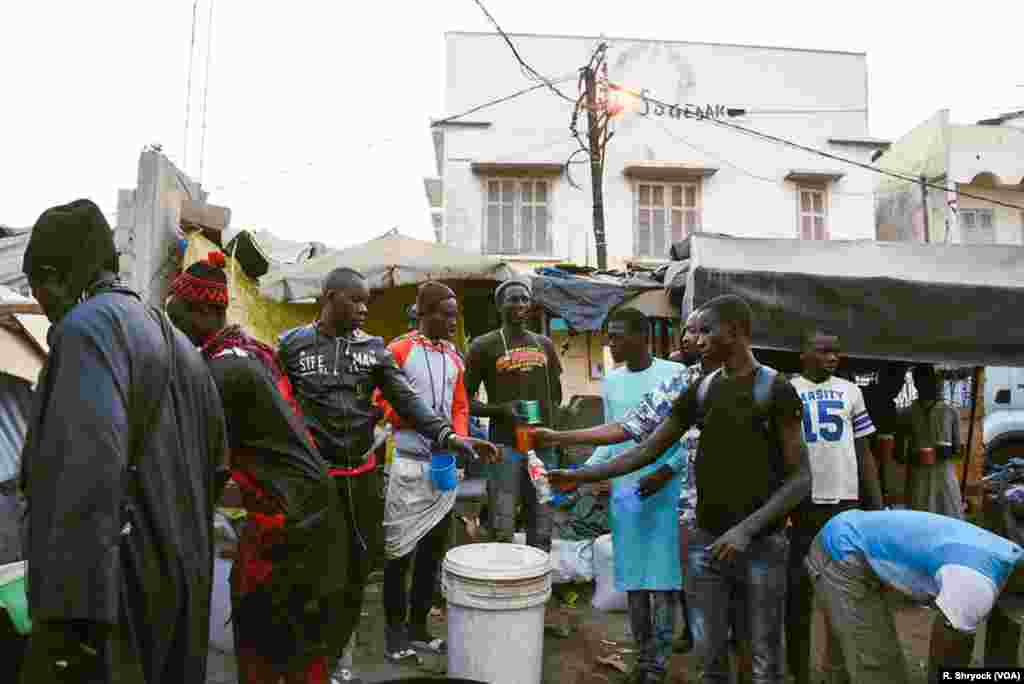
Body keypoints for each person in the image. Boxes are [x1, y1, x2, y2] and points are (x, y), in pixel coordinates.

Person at [549, 294, 810, 684]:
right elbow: (645, 446)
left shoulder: (775, 390)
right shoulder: (700, 389)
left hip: (760, 545)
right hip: (706, 542)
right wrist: (582, 475)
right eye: (694, 330)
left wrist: (745, 530)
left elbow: (801, 479)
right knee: (710, 661)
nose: (696, 339)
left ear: (736, 333)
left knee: (762, 660)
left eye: (706, 330)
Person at [18, 199, 227, 683]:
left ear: (54, 274)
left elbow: (82, 480)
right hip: (182, 596)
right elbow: (217, 469)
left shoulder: (87, 331)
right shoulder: (180, 345)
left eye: (37, 287)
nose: (42, 303)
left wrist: (69, 634)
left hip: (113, 608)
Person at [277, 267, 496, 684]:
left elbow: (408, 401)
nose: (363, 309)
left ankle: (340, 659)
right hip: (313, 479)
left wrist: (452, 437)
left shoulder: (375, 350)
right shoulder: (292, 345)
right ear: (328, 297)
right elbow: (278, 405)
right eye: (355, 301)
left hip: (361, 476)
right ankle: (309, 660)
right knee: (313, 569)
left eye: (366, 302)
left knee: (358, 568)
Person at [167, 252, 343, 684]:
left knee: (262, 631)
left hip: (288, 518)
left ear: (205, 311)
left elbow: (206, 465)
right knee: (300, 635)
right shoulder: (247, 353)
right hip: (311, 508)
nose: (173, 331)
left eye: (176, 319)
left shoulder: (220, 371)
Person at [585, 308, 686, 684]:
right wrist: (583, 474)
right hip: (627, 492)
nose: (610, 343)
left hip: (666, 491)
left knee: (663, 579)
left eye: (617, 336)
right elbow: (613, 441)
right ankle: (643, 655)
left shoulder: (675, 375)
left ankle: (657, 663)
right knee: (633, 580)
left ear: (642, 336)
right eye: (608, 336)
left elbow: (690, 436)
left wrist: (667, 469)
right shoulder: (611, 382)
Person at [807, 509, 1024, 684]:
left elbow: (1004, 650)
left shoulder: (1009, 555)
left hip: (854, 532)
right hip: (843, 552)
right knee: (881, 670)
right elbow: (946, 660)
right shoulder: (976, 585)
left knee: (853, 653)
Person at [375, 283, 471, 661]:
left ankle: (418, 629)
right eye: (444, 314)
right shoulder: (399, 350)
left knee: (432, 552)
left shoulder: (454, 357)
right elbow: (381, 401)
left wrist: (458, 438)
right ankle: (394, 636)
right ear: (423, 313)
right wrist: (424, 424)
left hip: (442, 467)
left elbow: (460, 404)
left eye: (455, 314)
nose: (452, 321)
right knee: (399, 555)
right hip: (408, 465)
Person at [786, 329, 884, 684]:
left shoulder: (850, 391)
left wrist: (876, 505)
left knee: (843, 592)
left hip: (844, 503)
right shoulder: (787, 390)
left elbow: (863, 452)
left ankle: (836, 672)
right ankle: (799, 672)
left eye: (836, 352)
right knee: (797, 593)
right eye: (823, 351)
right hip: (800, 504)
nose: (832, 358)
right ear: (803, 353)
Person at [464, 278, 562, 552]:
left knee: (542, 524)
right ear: (499, 305)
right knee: (502, 524)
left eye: (524, 299)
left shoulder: (545, 345)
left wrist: (553, 433)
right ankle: (504, 585)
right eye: (512, 299)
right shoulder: (484, 346)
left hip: (543, 447)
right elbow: (464, 402)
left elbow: (556, 395)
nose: (520, 304)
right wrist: (501, 409)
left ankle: (538, 587)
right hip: (505, 448)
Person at [904, 365, 964, 518]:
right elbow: (899, 453)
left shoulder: (950, 411)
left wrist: (946, 452)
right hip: (919, 480)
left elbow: (960, 451)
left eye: (929, 380)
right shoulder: (908, 412)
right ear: (916, 383)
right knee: (921, 523)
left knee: (950, 519)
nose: (925, 384)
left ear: (935, 382)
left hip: (944, 478)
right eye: (920, 380)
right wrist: (914, 455)